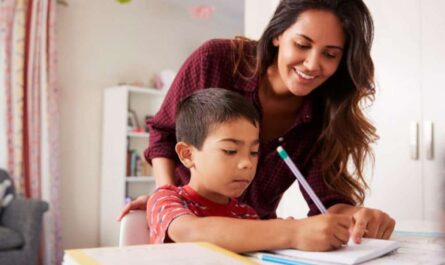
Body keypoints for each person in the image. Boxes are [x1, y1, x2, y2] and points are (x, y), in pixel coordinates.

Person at [118, 0, 395, 245]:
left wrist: (356, 217)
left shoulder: (325, 114)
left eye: (330, 54)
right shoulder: (215, 60)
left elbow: (327, 203)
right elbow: (164, 134)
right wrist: (165, 194)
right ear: (277, 34)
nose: (312, 64)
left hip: (255, 242)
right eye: (302, 45)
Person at [148, 88, 352, 252]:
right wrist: (292, 232)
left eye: (254, 152)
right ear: (187, 154)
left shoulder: (245, 214)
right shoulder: (166, 199)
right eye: (230, 150)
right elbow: (191, 232)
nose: (247, 163)